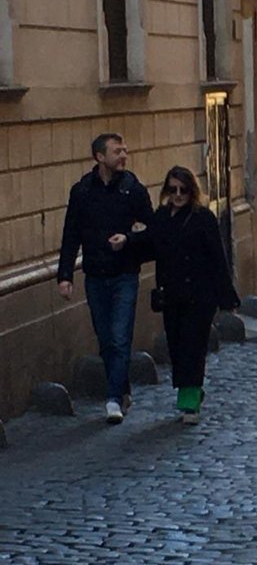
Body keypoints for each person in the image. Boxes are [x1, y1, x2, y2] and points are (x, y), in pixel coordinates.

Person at [110, 167, 238, 424]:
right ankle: (191, 390)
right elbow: (148, 242)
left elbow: (218, 258)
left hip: (200, 295)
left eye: (183, 190)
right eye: (173, 189)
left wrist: (226, 298)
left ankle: (189, 403)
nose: (178, 194)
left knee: (193, 347)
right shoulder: (162, 217)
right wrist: (126, 241)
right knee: (177, 347)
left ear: (192, 191)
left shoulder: (203, 218)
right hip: (172, 294)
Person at [57, 132, 154, 424]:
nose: (123, 156)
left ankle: (112, 399)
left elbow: (152, 229)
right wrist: (65, 275)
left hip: (125, 272)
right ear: (100, 157)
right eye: (116, 152)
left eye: (124, 150)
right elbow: (71, 234)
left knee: (120, 336)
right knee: (105, 339)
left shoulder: (133, 189)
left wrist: (128, 238)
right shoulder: (83, 191)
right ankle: (122, 389)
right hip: (95, 274)